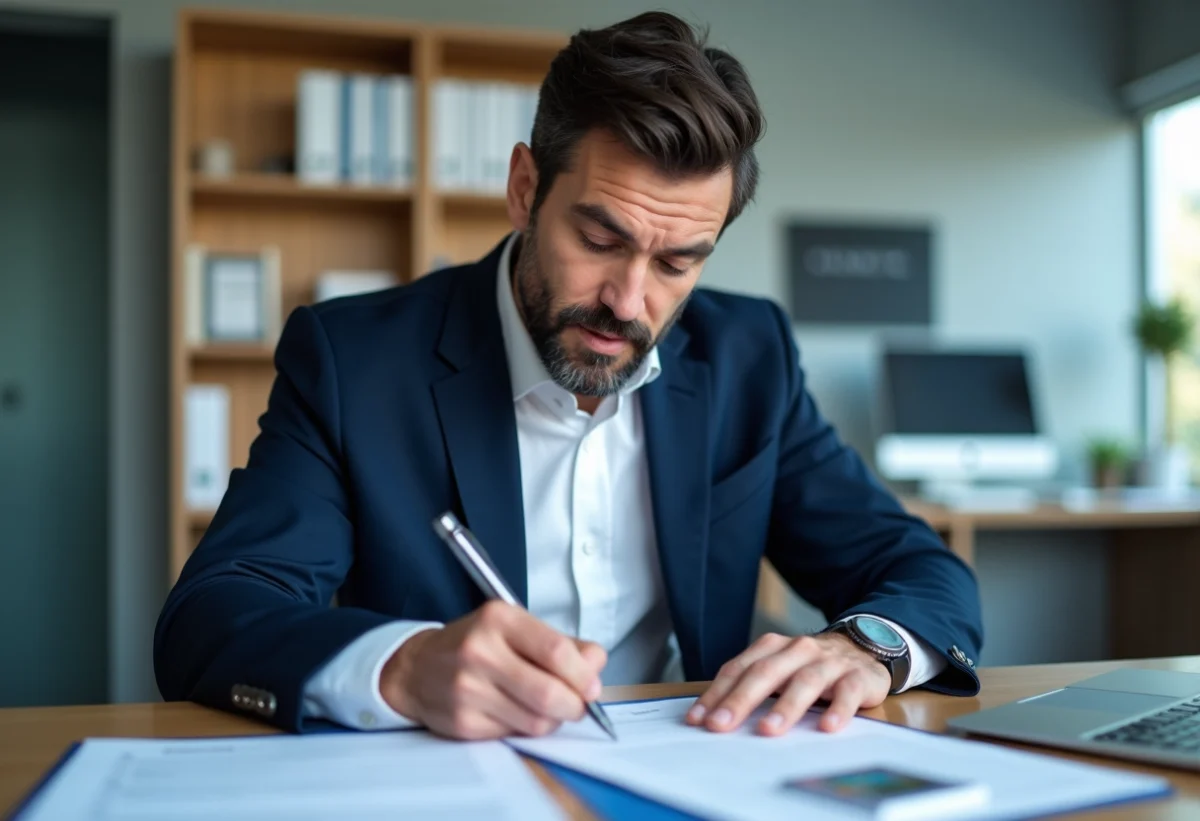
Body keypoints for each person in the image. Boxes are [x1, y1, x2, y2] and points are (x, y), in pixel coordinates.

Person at [155, 10, 982, 741]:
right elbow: (211, 614)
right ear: (525, 189)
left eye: (676, 262)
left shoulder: (748, 356)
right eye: (599, 239)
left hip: (691, 766)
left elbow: (923, 569)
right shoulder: (355, 362)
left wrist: (869, 647)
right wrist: (402, 666)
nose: (628, 300)